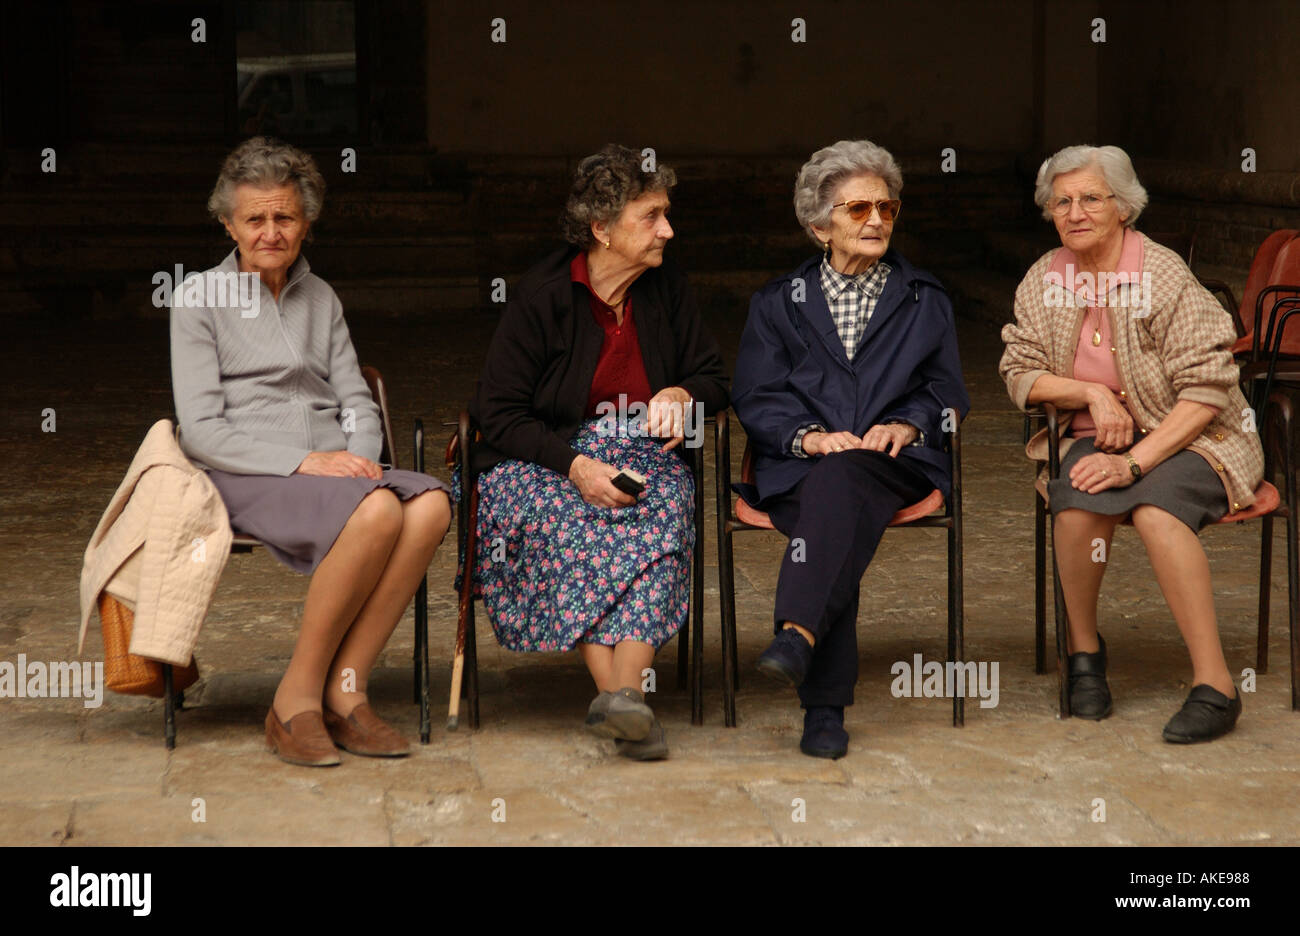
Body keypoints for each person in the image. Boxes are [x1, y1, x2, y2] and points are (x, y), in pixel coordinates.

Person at [171, 136, 452, 766]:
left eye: (285, 217)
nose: (271, 232)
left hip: (334, 472)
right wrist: (306, 463)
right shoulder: (195, 301)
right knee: (378, 511)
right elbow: (200, 431)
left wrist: (359, 457)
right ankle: (295, 698)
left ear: (306, 221)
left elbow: (354, 394)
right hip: (245, 471)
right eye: (255, 218)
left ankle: (345, 690)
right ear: (228, 224)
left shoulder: (320, 297)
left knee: (431, 503)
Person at [463, 144, 729, 760]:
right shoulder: (543, 294)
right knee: (571, 518)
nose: (669, 229)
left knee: (660, 511)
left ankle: (624, 699)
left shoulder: (665, 289)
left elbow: (717, 378)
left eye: (666, 212)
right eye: (651, 216)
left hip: (640, 448)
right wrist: (577, 466)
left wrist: (681, 389)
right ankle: (623, 697)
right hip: (541, 455)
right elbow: (498, 414)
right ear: (601, 229)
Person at [999, 144, 1263, 743]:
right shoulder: (1046, 277)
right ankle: (1084, 658)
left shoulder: (1161, 274)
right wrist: (1092, 395)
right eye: (1062, 201)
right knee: (1076, 500)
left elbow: (1208, 388)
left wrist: (1136, 461)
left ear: (1123, 207)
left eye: (1092, 198)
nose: (1076, 211)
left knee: (1154, 508)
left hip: (1198, 434)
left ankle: (1216, 685)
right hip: (1101, 435)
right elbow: (1020, 371)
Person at [731, 139, 970, 759]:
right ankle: (822, 704)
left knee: (843, 490)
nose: (876, 221)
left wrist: (910, 424)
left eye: (887, 208)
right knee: (836, 499)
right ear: (819, 226)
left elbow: (947, 392)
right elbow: (755, 395)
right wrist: (807, 436)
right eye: (858, 208)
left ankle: (798, 640)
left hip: (896, 466)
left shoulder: (925, 298)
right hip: (800, 467)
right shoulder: (778, 301)